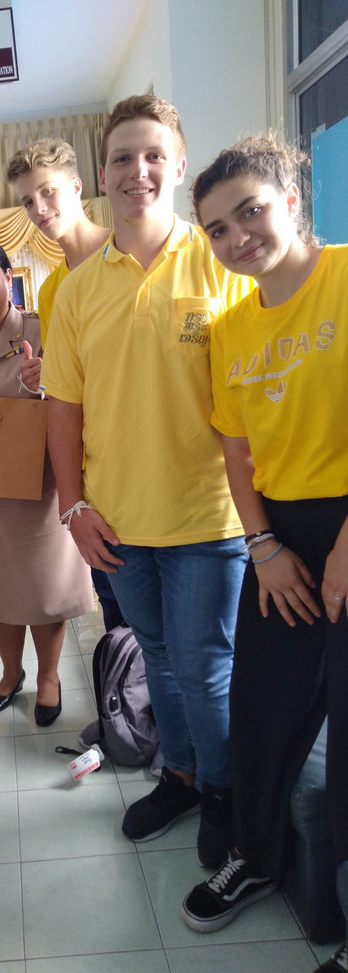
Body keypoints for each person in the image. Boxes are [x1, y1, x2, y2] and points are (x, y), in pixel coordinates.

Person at [41, 95, 252, 869]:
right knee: (157, 659)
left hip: (209, 518)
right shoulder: (78, 288)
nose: (139, 170)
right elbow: (62, 407)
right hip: (119, 523)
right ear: (102, 173)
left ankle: (225, 794)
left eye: (154, 154)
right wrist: (74, 508)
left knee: (203, 666)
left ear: (181, 166)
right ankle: (182, 775)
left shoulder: (221, 261)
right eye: (124, 157)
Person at [181, 136, 348, 973]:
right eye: (216, 227)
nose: (237, 235)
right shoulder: (230, 327)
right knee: (261, 704)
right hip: (281, 535)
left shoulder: (347, 278)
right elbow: (237, 454)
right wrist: (265, 545)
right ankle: (255, 855)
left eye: (250, 209)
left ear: (290, 193)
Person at [0, 239, 93, 724]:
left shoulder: (41, 327)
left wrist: (43, 381)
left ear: (8, 277)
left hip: (40, 487)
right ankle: (11, 674)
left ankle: (49, 676)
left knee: (42, 590)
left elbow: (79, 394)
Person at [6, 138, 124, 632]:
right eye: (28, 201)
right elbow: (66, 387)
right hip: (97, 473)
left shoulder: (127, 254)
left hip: (156, 465)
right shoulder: (54, 289)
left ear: (78, 186)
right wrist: (43, 376)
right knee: (119, 621)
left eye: (48, 192)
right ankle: (129, 711)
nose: (39, 209)